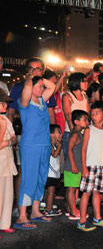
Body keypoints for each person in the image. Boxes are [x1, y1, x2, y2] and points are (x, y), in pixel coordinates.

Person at [15, 73, 56, 230]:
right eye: (38, 86)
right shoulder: (24, 102)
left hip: (44, 145)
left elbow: (51, 86)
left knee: (40, 179)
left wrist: (39, 77)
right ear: (31, 87)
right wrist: (31, 78)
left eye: (41, 86)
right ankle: (21, 216)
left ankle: (35, 212)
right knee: (29, 180)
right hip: (31, 146)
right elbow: (27, 86)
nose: (41, 88)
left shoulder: (42, 101)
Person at [78, 101, 103, 231]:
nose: (93, 116)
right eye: (92, 113)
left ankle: (97, 218)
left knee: (97, 192)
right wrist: (83, 167)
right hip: (90, 165)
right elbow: (84, 149)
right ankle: (82, 220)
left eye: (97, 113)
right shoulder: (88, 129)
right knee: (86, 193)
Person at [62, 72, 90, 171]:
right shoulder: (68, 96)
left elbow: (87, 115)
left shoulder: (85, 97)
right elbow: (68, 117)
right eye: (84, 81)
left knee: (80, 161)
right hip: (71, 133)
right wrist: (74, 133)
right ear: (76, 82)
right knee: (71, 162)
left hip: (83, 134)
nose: (87, 83)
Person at [65, 110, 89, 220]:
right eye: (84, 120)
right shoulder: (75, 134)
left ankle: (71, 209)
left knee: (73, 188)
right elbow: (69, 150)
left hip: (76, 165)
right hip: (72, 166)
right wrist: (73, 165)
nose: (87, 121)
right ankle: (73, 212)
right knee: (71, 188)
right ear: (76, 121)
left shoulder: (78, 133)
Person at [0, 89, 17, 234]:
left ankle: (5, 223)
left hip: (7, 159)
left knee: (8, 192)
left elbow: (13, 137)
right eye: (2, 103)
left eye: (6, 103)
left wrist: (10, 141)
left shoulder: (6, 120)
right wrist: (6, 142)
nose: (5, 106)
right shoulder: (3, 122)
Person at [44, 124, 63, 217]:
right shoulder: (49, 144)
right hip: (49, 173)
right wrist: (59, 145)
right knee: (51, 191)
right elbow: (54, 155)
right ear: (51, 134)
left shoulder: (54, 144)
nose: (61, 134)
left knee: (48, 191)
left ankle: (46, 205)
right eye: (58, 132)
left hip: (52, 173)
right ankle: (49, 209)